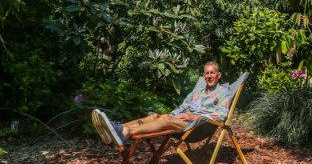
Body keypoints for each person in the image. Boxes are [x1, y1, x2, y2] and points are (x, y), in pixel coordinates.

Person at [92, 61, 231, 147]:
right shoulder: (198, 92)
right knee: (156, 117)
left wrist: (193, 117)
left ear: (219, 75)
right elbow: (182, 108)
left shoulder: (223, 92)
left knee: (164, 118)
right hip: (183, 121)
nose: (209, 76)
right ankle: (116, 128)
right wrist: (170, 115)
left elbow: (221, 115)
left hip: (198, 127)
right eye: (207, 73)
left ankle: (126, 132)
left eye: (212, 73)